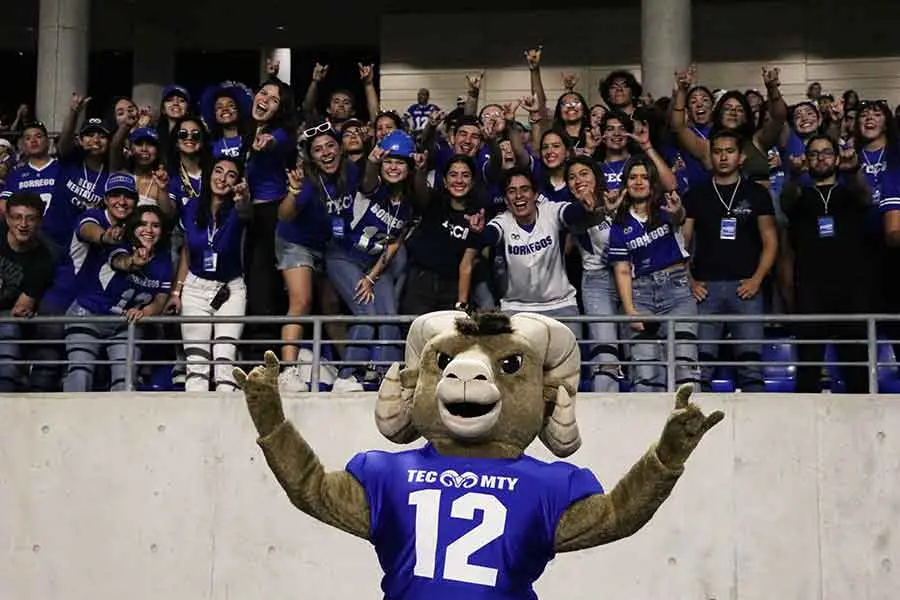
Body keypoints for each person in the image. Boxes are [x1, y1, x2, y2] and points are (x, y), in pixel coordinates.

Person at [682, 130, 778, 392]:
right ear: (711, 156)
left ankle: (756, 430)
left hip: (746, 288)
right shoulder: (696, 194)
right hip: (706, 289)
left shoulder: (757, 193)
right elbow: (682, 243)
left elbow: (770, 240)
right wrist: (690, 281)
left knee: (751, 369)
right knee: (700, 370)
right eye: (717, 151)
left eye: (729, 151)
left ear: (741, 157)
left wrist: (758, 279)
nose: (723, 157)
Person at [0, 192, 55, 392]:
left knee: (9, 327)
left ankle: (4, 395)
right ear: (7, 219)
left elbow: (21, 307)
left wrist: (22, 311)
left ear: (39, 221)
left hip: (5, 316)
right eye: (17, 217)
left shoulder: (43, 260)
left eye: (30, 219)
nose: (23, 224)